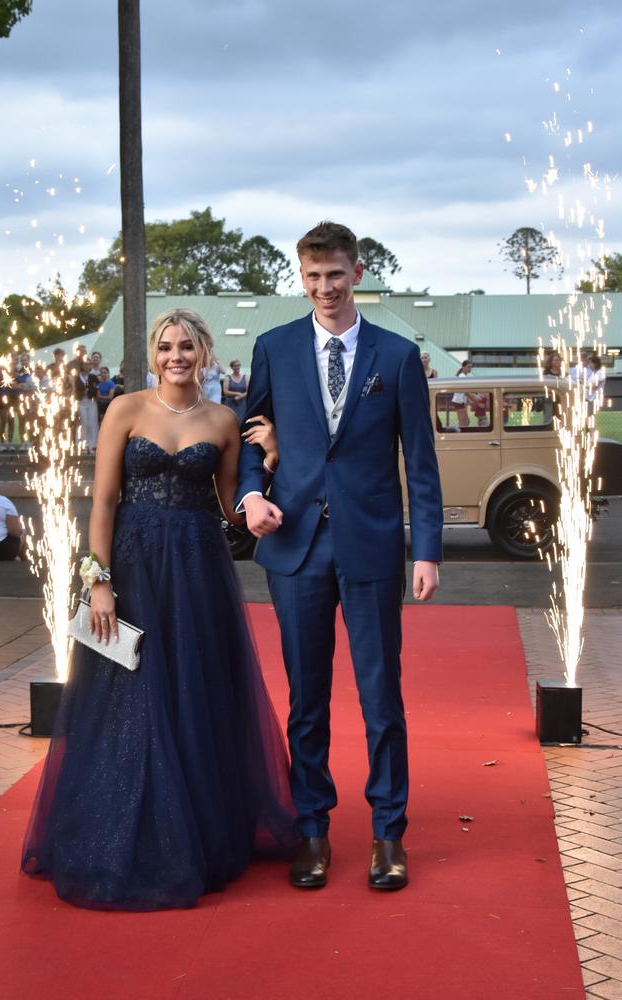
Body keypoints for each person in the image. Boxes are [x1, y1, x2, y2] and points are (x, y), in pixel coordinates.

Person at [21, 307, 297, 910]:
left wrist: (269, 463)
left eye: (188, 347)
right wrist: (99, 583)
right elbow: (103, 504)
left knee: (193, 693)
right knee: (129, 695)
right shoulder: (125, 408)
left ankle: (196, 830)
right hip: (135, 568)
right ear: (154, 354)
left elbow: (229, 510)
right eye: (167, 347)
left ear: (204, 353)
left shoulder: (224, 420)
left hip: (198, 572)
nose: (177, 356)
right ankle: (123, 831)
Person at [237, 222, 443, 892]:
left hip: (373, 545)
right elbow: (248, 440)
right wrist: (249, 493)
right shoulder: (273, 347)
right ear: (301, 277)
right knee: (307, 700)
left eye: (335, 275)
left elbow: (421, 462)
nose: (324, 288)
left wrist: (428, 549)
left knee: (382, 697)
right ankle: (313, 832)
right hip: (295, 547)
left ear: (358, 272)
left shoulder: (397, 355)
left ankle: (389, 834)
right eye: (311, 276)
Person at [73, 360, 99, 452]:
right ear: (82, 365)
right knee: (83, 423)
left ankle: (92, 445)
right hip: (81, 401)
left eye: (88, 364)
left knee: (92, 423)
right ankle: (82, 444)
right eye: (85, 364)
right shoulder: (77, 377)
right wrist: (82, 393)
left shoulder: (93, 377)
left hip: (91, 401)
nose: (86, 366)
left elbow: (96, 389)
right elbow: (74, 391)